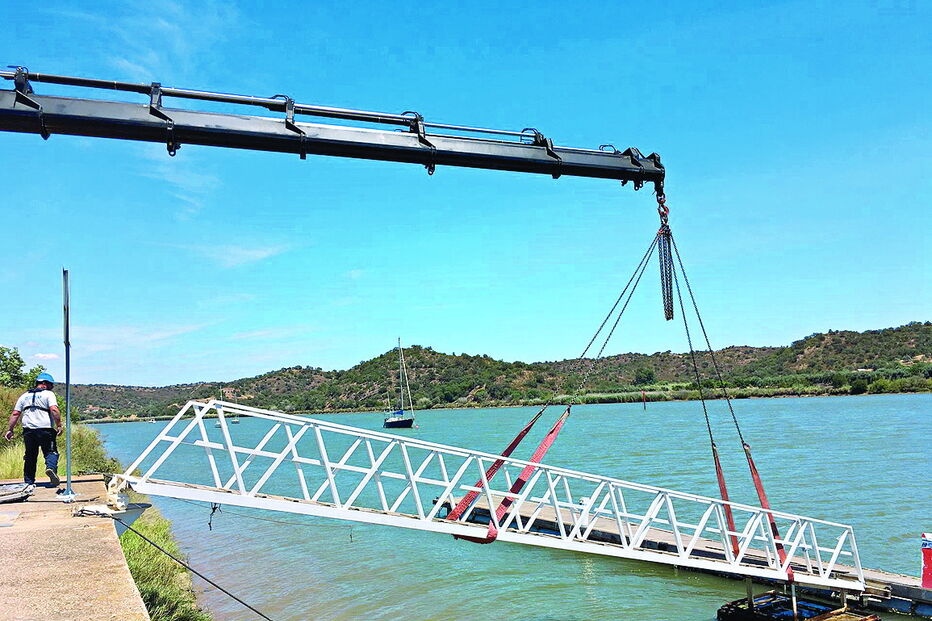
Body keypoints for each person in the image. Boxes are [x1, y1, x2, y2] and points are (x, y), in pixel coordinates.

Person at [4, 373, 63, 492]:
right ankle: (50, 468)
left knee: (30, 456)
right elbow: (54, 409)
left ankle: (29, 482)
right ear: (46, 384)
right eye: (51, 385)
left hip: (28, 431)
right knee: (51, 452)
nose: (52, 387)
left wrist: (10, 429)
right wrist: (59, 425)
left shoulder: (24, 396)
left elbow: (15, 413)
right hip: (45, 429)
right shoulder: (49, 394)